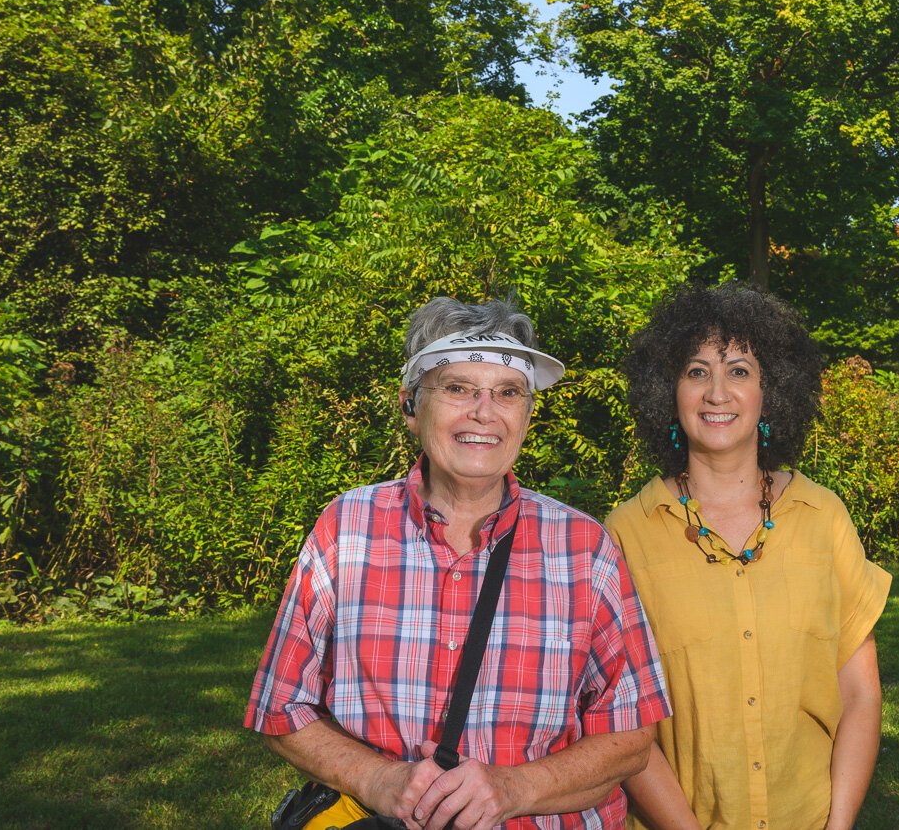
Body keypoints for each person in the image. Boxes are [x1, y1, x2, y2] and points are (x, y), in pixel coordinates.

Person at [247, 297, 672, 830]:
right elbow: (280, 707)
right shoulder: (346, 530)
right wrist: (379, 780)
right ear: (410, 405)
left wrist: (512, 788)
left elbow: (631, 737)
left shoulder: (584, 548)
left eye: (508, 393)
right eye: (458, 388)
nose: (484, 412)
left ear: (527, 413)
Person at [606, 285, 890, 830]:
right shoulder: (624, 536)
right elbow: (624, 726)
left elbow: (860, 694)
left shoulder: (823, 516)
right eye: (696, 371)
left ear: (771, 392)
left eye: (739, 371)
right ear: (667, 391)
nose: (717, 393)